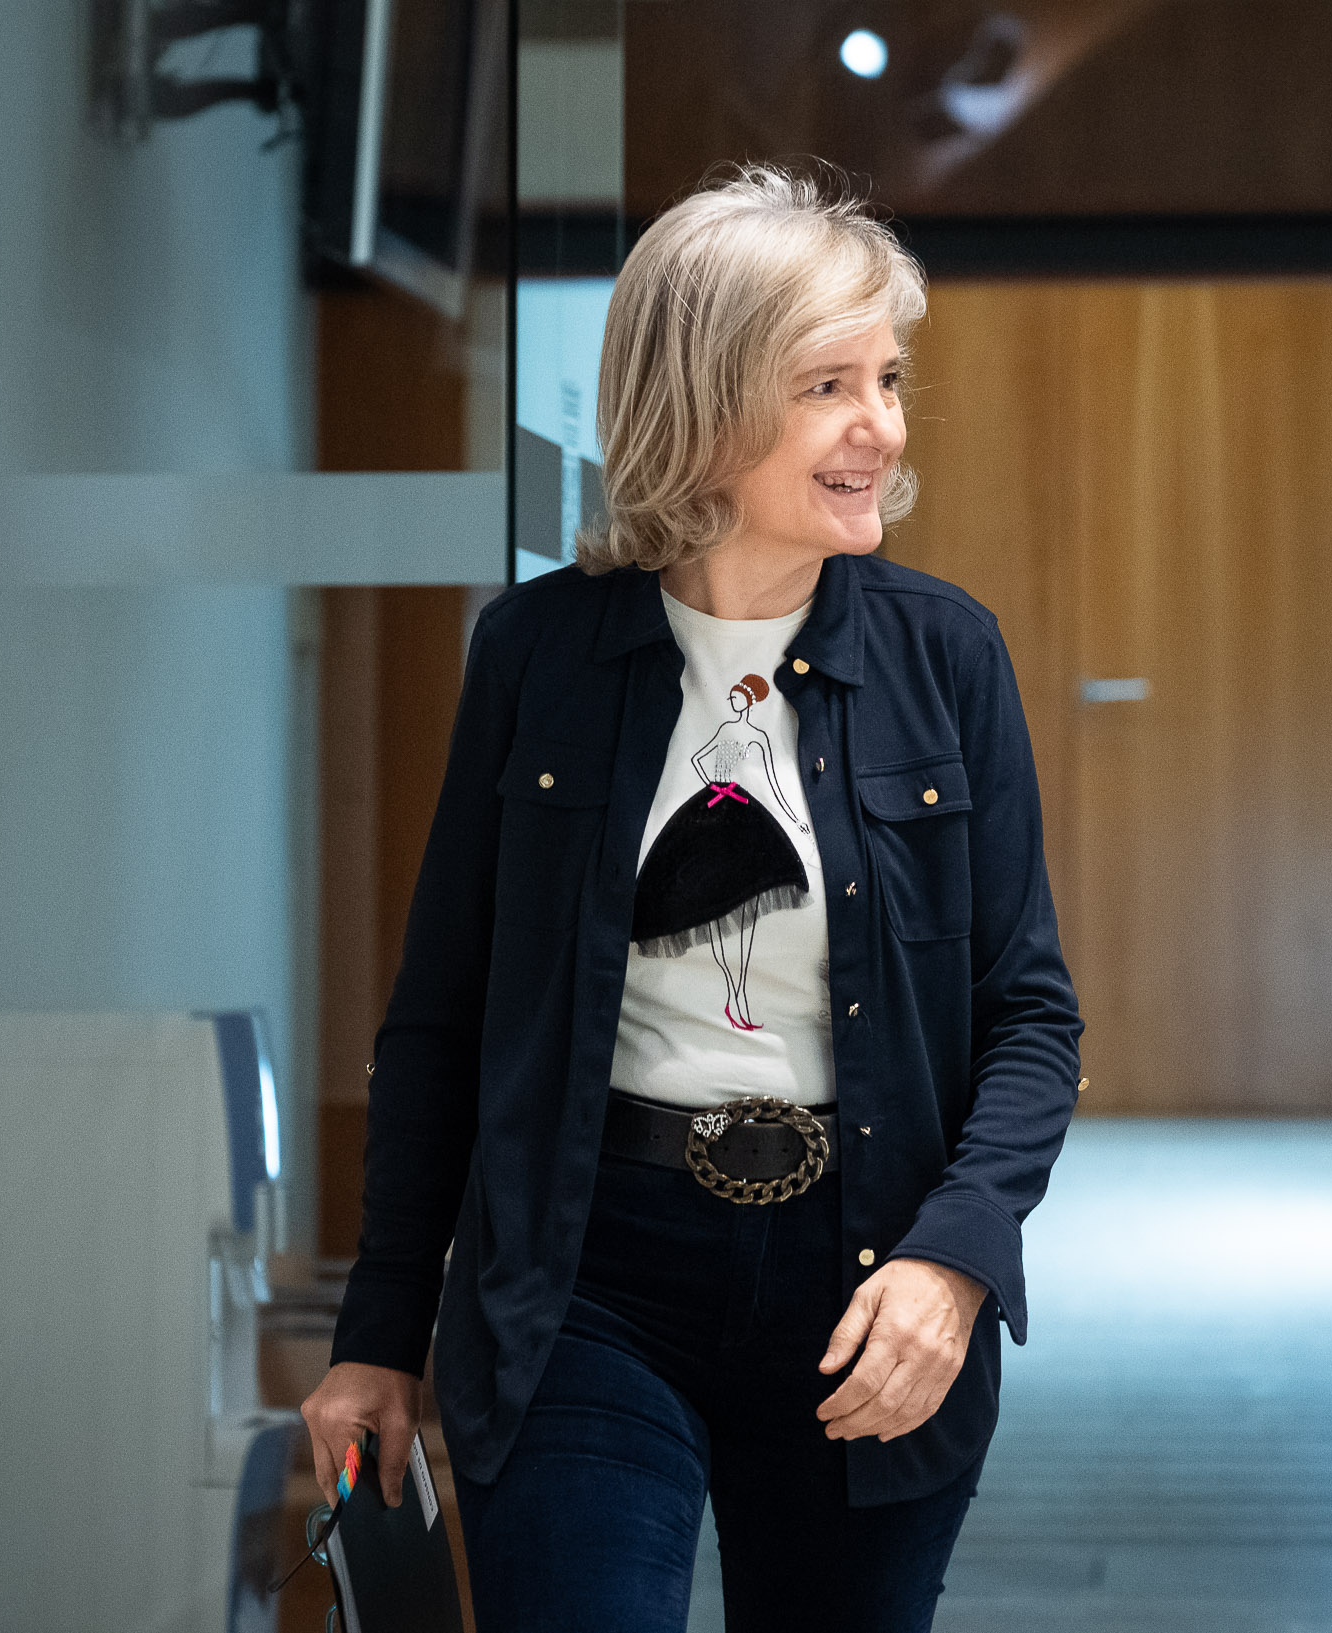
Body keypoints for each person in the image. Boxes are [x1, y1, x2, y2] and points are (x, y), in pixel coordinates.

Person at [299, 165, 1085, 1631]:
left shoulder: (945, 658)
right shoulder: (537, 656)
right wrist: (378, 1335)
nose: (881, 427)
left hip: (866, 1284)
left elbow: (1029, 1017)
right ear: (706, 402)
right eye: (828, 384)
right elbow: (442, 1022)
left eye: (890, 380)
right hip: (588, 1282)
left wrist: (954, 1260)